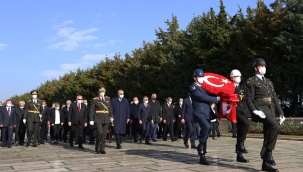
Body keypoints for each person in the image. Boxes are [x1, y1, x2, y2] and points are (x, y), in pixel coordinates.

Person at [246, 58, 285, 172]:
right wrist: (254, 111)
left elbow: (274, 98)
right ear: (255, 68)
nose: (263, 67)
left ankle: (265, 164)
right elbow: (249, 99)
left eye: (264, 65)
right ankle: (266, 152)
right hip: (261, 108)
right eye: (261, 66)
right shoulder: (251, 81)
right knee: (275, 126)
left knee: (268, 134)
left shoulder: (268, 81)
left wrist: (281, 113)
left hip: (270, 108)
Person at [190, 69, 220, 165]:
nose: (202, 78)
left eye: (202, 77)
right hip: (199, 112)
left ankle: (202, 156)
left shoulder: (203, 88)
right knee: (207, 126)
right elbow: (203, 98)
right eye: (200, 77)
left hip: (206, 112)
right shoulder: (193, 88)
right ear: (195, 78)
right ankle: (201, 145)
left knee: (206, 131)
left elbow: (207, 98)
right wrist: (216, 98)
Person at [230, 69, 252, 163]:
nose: (239, 78)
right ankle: (240, 145)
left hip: (243, 110)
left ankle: (239, 154)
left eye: (239, 76)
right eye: (236, 76)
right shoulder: (229, 87)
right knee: (246, 124)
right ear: (232, 77)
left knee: (240, 131)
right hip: (234, 110)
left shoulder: (243, 87)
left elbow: (247, 98)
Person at [90, 87, 112, 154]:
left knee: (104, 134)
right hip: (98, 118)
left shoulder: (108, 99)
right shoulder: (95, 100)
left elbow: (110, 108)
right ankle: (97, 147)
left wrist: (111, 116)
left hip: (106, 118)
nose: (102, 93)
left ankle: (102, 148)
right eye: (101, 92)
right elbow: (91, 110)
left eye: (103, 92)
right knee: (100, 132)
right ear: (98, 92)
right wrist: (91, 119)